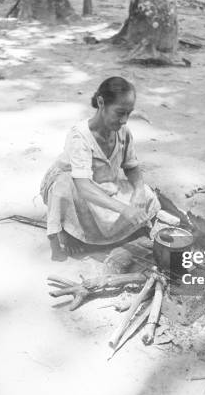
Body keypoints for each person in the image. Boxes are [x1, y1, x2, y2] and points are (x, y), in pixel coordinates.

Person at [40, 76, 161, 261]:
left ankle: (97, 233)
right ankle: (67, 233)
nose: (124, 120)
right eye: (120, 113)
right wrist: (124, 209)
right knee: (64, 190)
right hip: (75, 187)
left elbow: (132, 167)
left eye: (129, 113)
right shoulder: (79, 136)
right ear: (101, 102)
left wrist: (137, 192)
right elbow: (83, 187)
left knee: (147, 195)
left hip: (105, 185)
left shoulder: (123, 131)